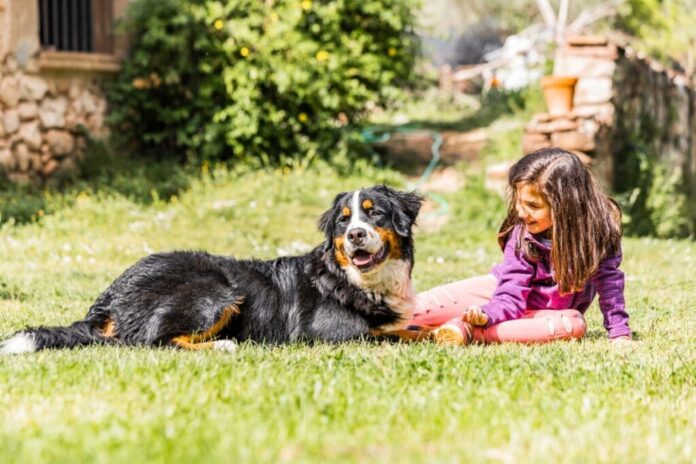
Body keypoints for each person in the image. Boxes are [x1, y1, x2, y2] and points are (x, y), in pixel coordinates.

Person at [409, 147, 632, 346]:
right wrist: (488, 314)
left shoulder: (600, 233)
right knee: (409, 310)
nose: (521, 213)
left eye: (533, 206)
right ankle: (410, 324)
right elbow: (511, 293)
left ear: (566, 206)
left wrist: (620, 334)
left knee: (573, 324)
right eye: (518, 202)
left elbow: (609, 284)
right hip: (498, 292)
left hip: (543, 317)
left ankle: (465, 331)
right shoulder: (522, 234)